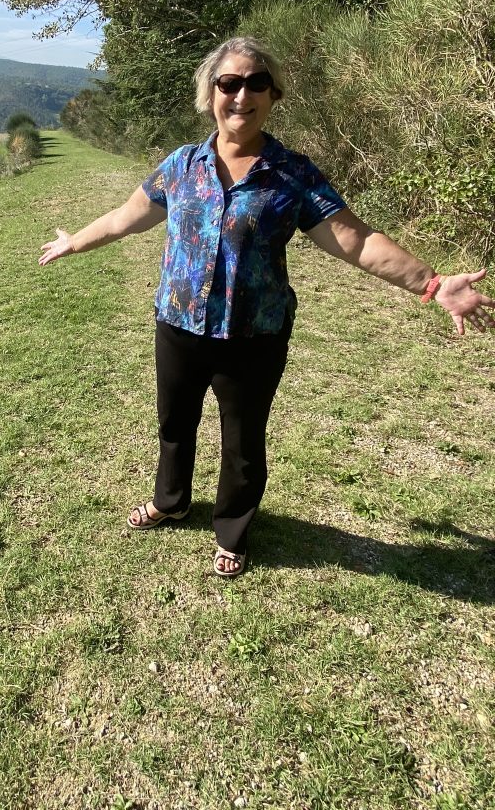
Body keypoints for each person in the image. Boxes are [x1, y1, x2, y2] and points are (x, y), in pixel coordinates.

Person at [39, 37, 495, 577]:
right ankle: (171, 500)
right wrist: (75, 242)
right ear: (210, 93)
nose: (241, 95)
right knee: (174, 424)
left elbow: (354, 240)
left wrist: (431, 282)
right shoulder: (182, 165)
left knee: (243, 441)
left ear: (273, 94)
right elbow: (124, 217)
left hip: (254, 335)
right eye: (229, 83)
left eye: (256, 83)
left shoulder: (292, 174)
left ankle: (232, 529)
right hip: (179, 323)